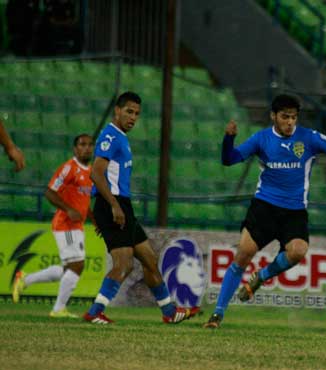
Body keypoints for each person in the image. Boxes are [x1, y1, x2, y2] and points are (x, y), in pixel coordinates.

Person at [203, 94, 326, 329]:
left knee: (298, 252)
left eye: (293, 117)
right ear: (273, 116)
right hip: (264, 206)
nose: (290, 122)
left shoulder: (309, 137)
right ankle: (217, 315)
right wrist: (228, 139)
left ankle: (262, 276)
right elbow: (229, 159)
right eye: (285, 117)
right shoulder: (262, 138)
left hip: (294, 210)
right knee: (244, 253)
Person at [83, 92, 198, 324]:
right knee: (123, 265)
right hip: (113, 203)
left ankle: (169, 313)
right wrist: (113, 207)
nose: (133, 117)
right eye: (129, 111)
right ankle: (95, 312)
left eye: (137, 113)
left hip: (121, 205)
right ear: (117, 110)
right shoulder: (110, 135)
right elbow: (96, 173)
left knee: (149, 258)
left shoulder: (121, 137)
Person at [11, 134, 93, 317]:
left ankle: (25, 279)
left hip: (76, 225)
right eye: (82, 144)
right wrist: (68, 209)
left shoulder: (90, 171)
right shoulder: (68, 168)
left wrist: (94, 219)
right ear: (75, 149)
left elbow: (85, 200)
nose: (87, 148)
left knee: (68, 269)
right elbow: (49, 192)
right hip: (66, 224)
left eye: (90, 145)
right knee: (77, 265)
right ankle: (58, 309)